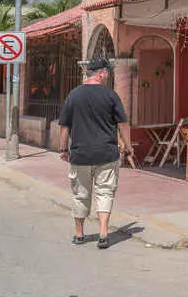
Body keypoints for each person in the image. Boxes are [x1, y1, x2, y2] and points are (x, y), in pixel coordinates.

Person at [59, 58, 127, 249]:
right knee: (105, 192)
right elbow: (122, 124)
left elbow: (65, 125)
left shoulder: (74, 95)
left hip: (80, 155)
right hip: (106, 153)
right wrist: (127, 146)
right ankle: (104, 233)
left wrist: (63, 149)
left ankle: (79, 234)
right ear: (101, 73)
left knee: (81, 194)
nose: (108, 75)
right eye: (107, 72)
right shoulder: (111, 95)